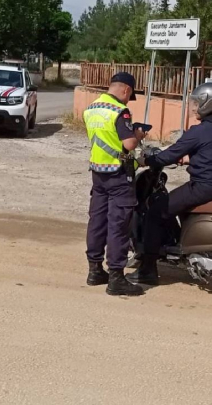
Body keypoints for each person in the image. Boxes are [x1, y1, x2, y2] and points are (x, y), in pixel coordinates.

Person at [130, 82, 212, 286]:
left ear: (207, 104)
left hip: (204, 186)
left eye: (196, 103)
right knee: (174, 206)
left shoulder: (200, 130)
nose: (193, 107)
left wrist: (147, 161)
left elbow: (169, 154)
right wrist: (190, 159)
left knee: (154, 210)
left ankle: (147, 271)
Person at [84, 72, 147, 296]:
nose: (129, 100)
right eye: (130, 96)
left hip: (98, 172)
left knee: (97, 221)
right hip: (119, 175)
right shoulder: (121, 111)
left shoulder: (91, 108)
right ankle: (116, 278)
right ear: (126, 90)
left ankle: (94, 270)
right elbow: (128, 144)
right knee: (118, 225)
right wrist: (138, 134)